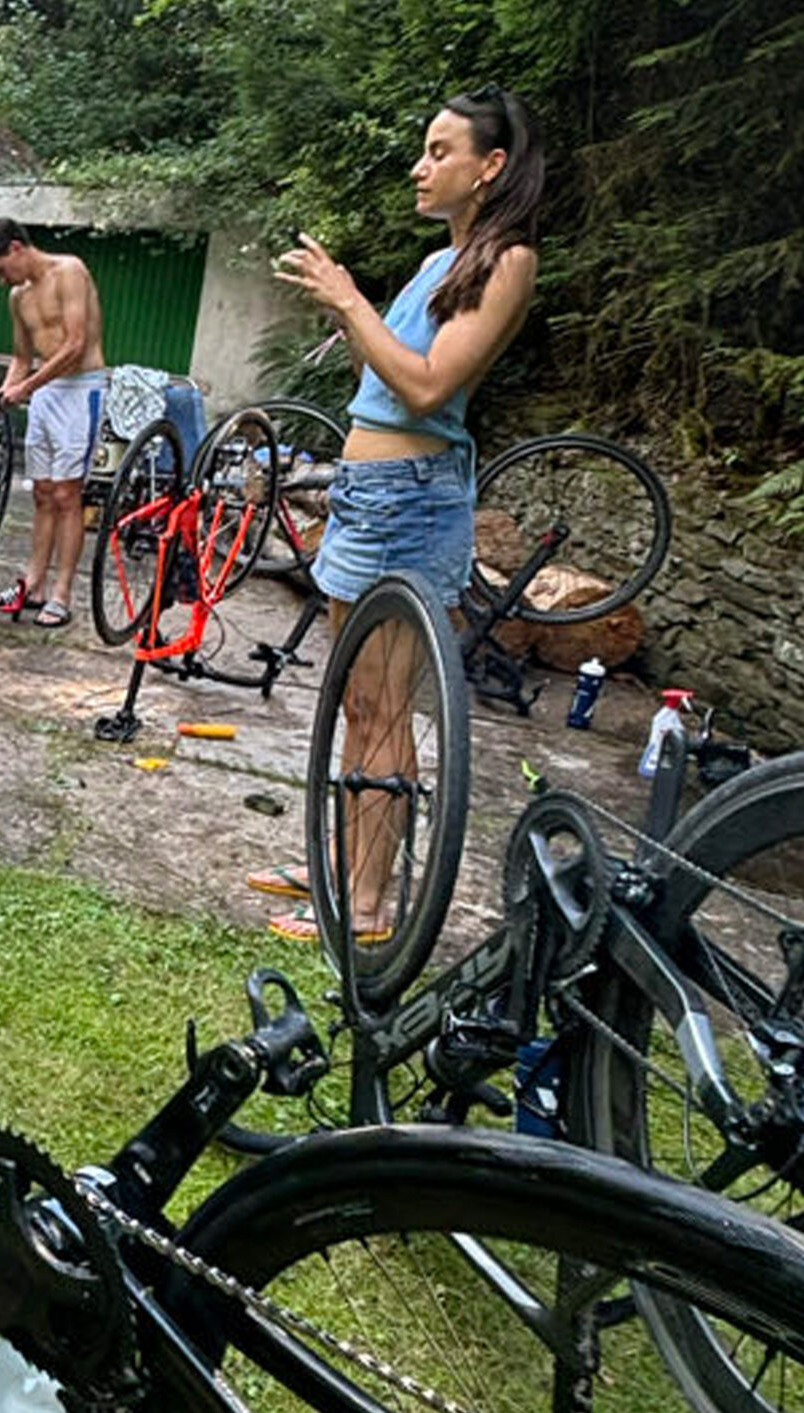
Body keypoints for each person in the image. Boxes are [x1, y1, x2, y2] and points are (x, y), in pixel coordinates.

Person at [248, 87, 543, 943]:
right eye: (424, 149)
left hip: (412, 504)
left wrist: (348, 301)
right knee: (355, 702)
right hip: (371, 497)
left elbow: (425, 387)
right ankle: (348, 860)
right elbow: (391, 374)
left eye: (441, 151)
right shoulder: (435, 264)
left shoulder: (508, 261)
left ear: (491, 167)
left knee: (383, 708)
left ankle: (368, 903)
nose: (421, 166)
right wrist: (353, 319)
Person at [0, 220, 104, 631]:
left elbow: (75, 344)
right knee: (44, 493)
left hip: (81, 389)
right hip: (45, 392)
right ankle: (33, 585)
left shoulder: (70, 271)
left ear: (16, 248)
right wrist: (8, 391)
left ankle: (62, 593)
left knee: (68, 493)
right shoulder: (18, 297)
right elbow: (21, 355)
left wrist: (26, 387)